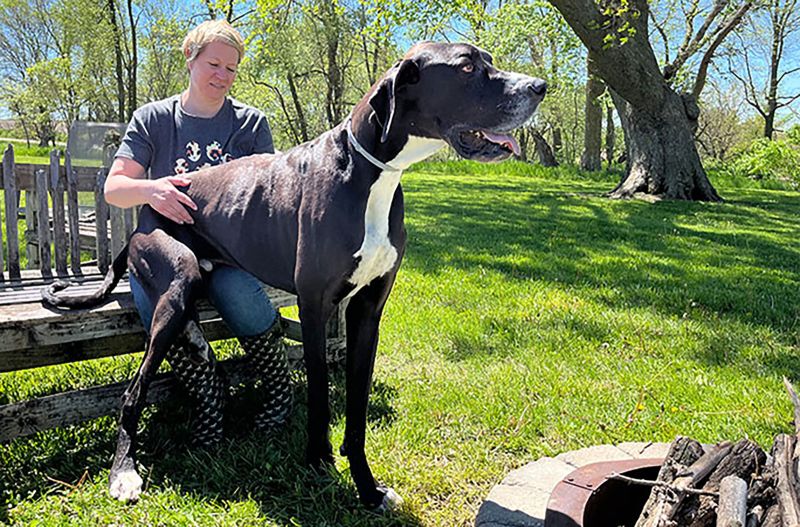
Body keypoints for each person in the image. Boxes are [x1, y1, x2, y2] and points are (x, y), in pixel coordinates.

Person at [105, 19, 291, 445]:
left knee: (242, 297)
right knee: (167, 314)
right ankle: (210, 400)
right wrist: (151, 190)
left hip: (226, 254)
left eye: (232, 69)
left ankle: (279, 393)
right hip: (165, 253)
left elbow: (269, 196)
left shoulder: (250, 124)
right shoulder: (153, 118)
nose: (222, 76)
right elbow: (115, 189)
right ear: (189, 59)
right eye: (214, 64)